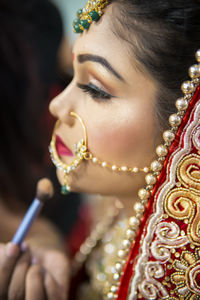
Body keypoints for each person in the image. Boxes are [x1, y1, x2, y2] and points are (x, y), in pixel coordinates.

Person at [1, 0, 200, 299]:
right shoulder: (112, 219)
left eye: (95, 89)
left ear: (186, 121)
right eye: (71, 74)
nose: (57, 106)